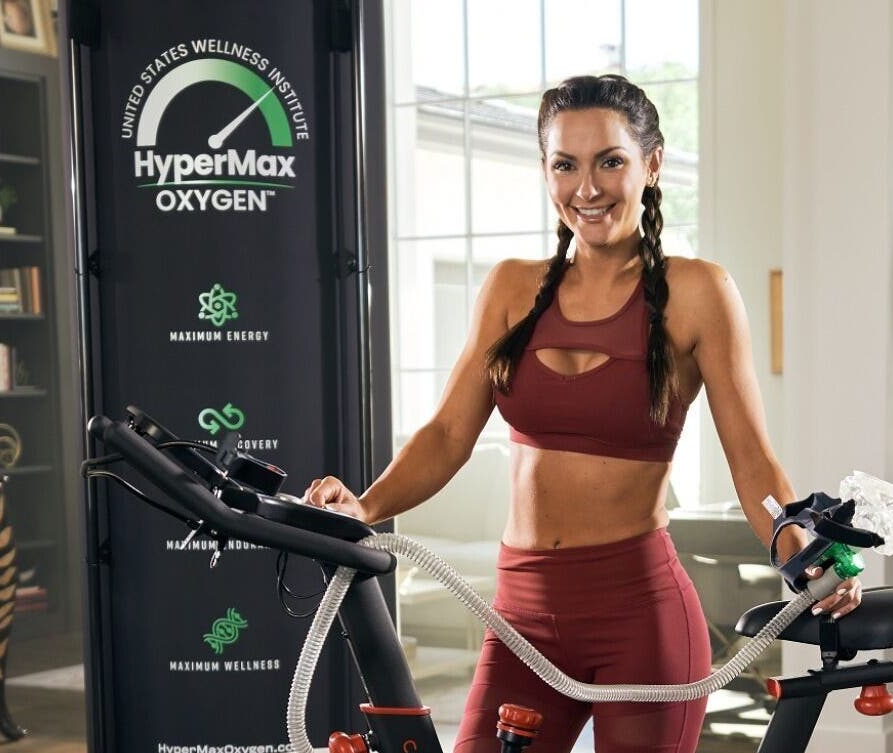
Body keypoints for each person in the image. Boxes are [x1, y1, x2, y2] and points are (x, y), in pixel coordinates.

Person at [303, 74, 861, 752]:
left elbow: (753, 462)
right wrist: (366, 506)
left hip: (641, 618)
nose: (587, 188)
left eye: (610, 161)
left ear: (652, 165)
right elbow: (449, 432)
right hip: (520, 619)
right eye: (565, 164)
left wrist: (804, 560)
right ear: (545, 169)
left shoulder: (698, 292)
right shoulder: (511, 287)